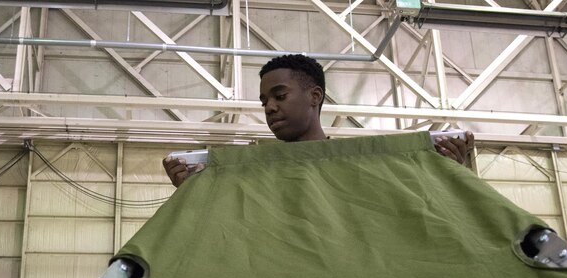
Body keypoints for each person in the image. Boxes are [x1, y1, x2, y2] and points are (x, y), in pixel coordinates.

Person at [163, 54, 473, 187]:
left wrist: (445, 173)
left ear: (315, 97)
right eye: (264, 101)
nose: (269, 107)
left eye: (279, 96)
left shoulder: (362, 166)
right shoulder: (251, 173)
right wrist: (195, 190)